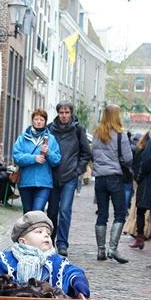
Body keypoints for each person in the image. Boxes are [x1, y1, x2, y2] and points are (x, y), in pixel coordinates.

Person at [46, 100, 91, 256]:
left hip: (69, 177)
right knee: (51, 211)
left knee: (65, 210)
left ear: (71, 113)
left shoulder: (78, 130)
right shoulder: (50, 129)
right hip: (52, 175)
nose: (64, 115)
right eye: (61, 112)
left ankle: (62, 243)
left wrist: (77, 170)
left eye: (67, 112)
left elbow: (86, 153)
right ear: (58, 113)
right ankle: (49, 242)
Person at [92, 104, 132, 264]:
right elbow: (128, 158)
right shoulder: (121, 135)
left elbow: (92, 154)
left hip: (100, 178)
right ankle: (112, 249)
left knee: (102, 214)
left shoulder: (96, 133)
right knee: (120, 213)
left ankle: (101, 249)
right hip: (115, 177)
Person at [12, 108, 61, 213]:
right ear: (32, 121)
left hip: (44, 183)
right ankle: (28, 230)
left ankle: (37, 228)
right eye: (36, 119)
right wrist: (34, 158)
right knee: (27, 212)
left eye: (42, 120)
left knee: (37, 211)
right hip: (26, 182)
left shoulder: (51, 139)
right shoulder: (22, 138)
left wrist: (48, 153)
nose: (39, 122)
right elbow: (16, 157)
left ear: (45, 122)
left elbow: (56, 160)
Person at [129, 131, 151, 250]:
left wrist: (138, 178)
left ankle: (140, 238)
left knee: (140, 211)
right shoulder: (146, 147)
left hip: (145, 183)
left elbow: (142, 165)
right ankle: (140, 238)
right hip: (146, 182)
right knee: (144, 211)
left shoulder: (144, 148)